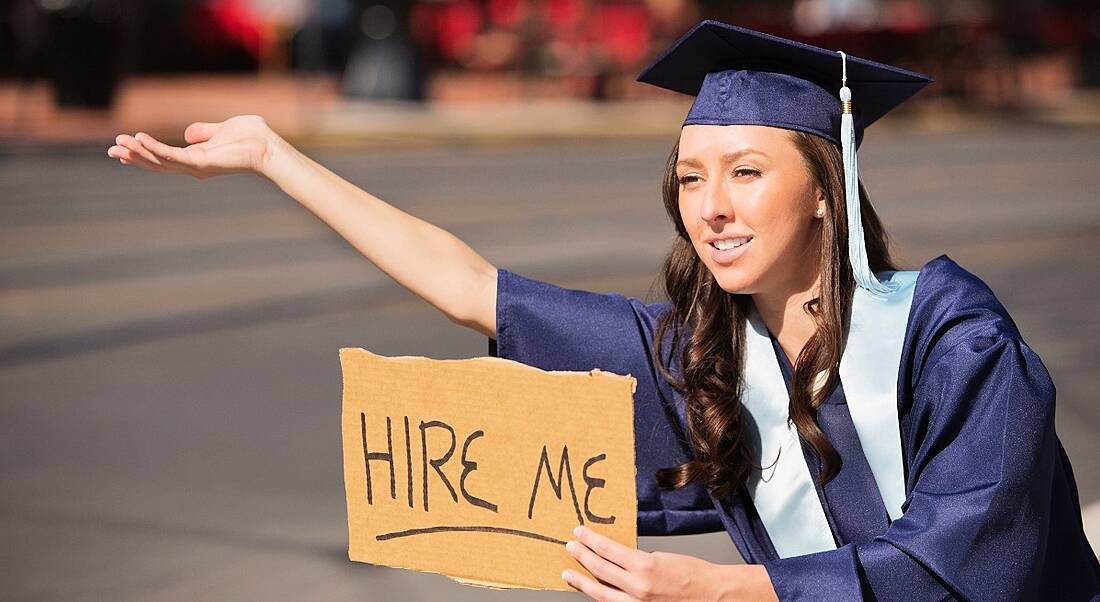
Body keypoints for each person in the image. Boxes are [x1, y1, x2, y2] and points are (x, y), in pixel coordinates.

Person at [106, 18, 1099, 602]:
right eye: (688, 177)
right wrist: (276, 156)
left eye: (745, 172)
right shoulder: (709, 358)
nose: (709, 206)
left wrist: (712, 587)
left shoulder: (951, 339)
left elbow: (968, 557)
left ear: (825, 190)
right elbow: (470, 289)